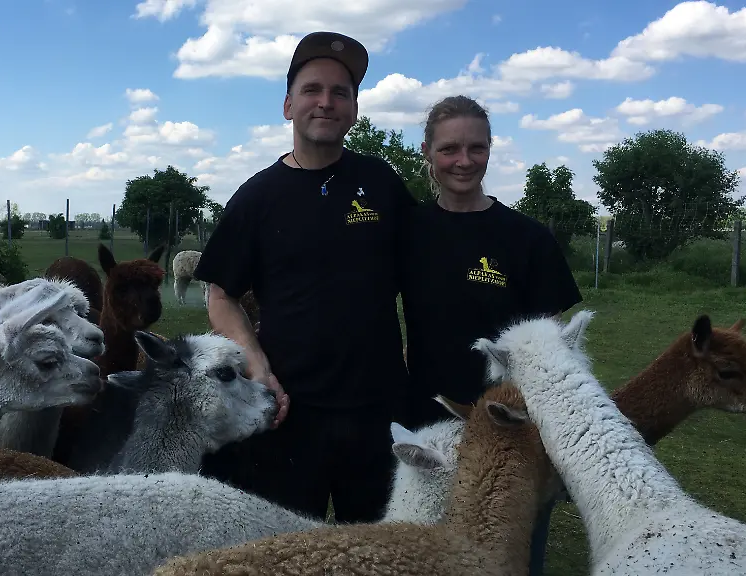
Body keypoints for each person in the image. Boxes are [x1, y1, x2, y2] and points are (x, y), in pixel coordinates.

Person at [192, 31, 416, 524]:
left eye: (341, 92)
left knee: (379, 553)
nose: (326, 102)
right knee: (290, 552)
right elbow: (221, 295)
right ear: (289, 105)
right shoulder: (257, 198)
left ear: (354, 110)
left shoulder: (381, 184)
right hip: (289, 413)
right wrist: (257, 364)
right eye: (313, 90)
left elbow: (426, 276)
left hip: (380, 414)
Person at [397, 94, 583, 576]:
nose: (463, 161)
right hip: (430, 423)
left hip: (513, 430)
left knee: (511, 559)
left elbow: (552, 349)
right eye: (449, 149)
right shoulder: (408, 232)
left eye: (476, 148)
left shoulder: (527, 240)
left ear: (490, 149)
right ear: (427, 152)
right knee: (430, 553)